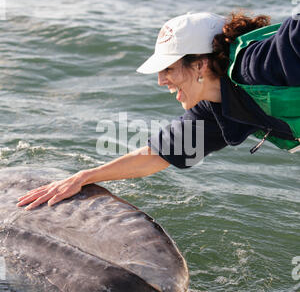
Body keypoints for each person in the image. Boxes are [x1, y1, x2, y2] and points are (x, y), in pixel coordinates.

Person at [17, 11, 300, 210]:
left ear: (200, 64)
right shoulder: (215, 109)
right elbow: (157, 155)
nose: (160, 80)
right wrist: (82, 178)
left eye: (168, 69)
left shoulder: (258, 63)